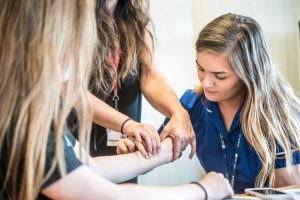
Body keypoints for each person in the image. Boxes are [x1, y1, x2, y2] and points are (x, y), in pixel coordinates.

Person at [0, 1, 234, 199]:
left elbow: (90, 168)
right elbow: (106, 194)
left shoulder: (30, 114)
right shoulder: (23, 123)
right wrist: (201, 190)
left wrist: (166, 149)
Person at [117, 13, 300, 193]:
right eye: (200, 68)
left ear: (249, 73)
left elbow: (287, 193)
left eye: (220, 76)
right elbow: (159, 152)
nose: (205, 83)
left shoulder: (280, 118)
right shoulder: (193, 104)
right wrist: (137, 150)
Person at [81, 0, 196, 175]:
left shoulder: (137, 23)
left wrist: (178, 112)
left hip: (125, 149)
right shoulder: (72, 20)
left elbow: (151, 77)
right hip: (78, 142)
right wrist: (127, 124)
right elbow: (72, 92)